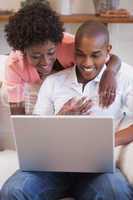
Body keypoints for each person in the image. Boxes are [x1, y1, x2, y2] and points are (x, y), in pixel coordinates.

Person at [1, 21, 133, 200]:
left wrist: (106, 142)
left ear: (108, 50)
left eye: (95, 55)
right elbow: (34, 137)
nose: (87, 63)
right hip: (51, 169)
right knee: (13, 191)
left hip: (98, 171)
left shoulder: (123, 77)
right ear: (74, 51)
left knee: (116, 191)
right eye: (80, 55)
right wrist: (60, 118)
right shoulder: (53, 82)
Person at [4, 2, 121, 114]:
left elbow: (112, 58)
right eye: (36, 56)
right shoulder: (14, 65)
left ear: (57, 44)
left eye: (51, 53)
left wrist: (109, 72)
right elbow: (17, 114)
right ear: (23, 51)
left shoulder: (70, 46)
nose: (45, 62)